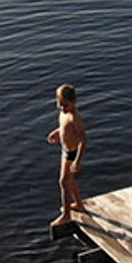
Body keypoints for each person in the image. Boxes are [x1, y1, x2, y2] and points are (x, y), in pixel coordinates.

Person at [46, 83, 88, 226]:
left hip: (72, 153)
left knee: (64, 182)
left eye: (66, 105)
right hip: (65, 151)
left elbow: (83, 140)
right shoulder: (63, 113)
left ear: (74, 103)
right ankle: (78, 204)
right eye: (60, 104)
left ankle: (67, 215)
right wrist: (57, 132)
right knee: (69, 180)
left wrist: (77, 161)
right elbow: (64, 128)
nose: (63, 108)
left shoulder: (75, 117)